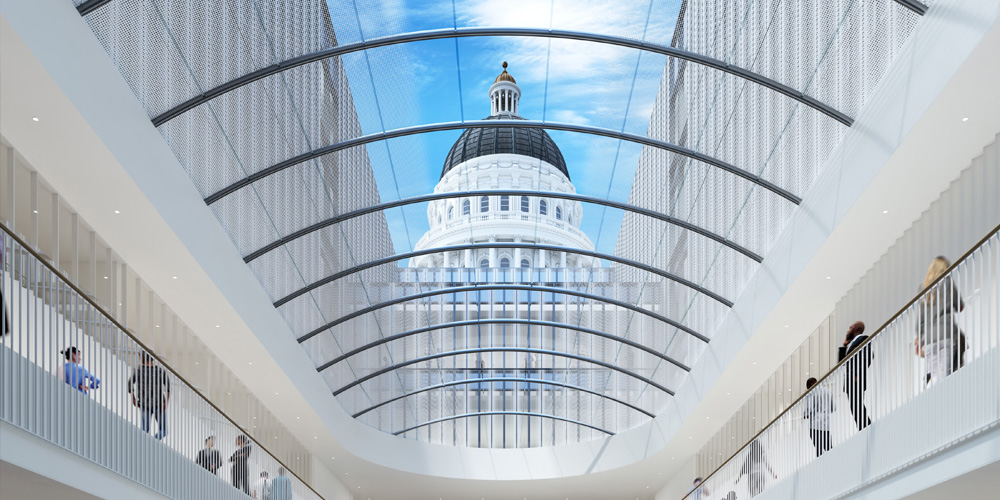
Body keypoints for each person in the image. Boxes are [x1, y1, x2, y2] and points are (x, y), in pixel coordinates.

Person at [915, 256, 966, 386]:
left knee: (935, 374)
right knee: (945, 377)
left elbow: (919, 319)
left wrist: (920, 340)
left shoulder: (923, 288)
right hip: (945, 335)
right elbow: (959, 305)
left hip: (928, 339)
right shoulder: (947, 282)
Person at [127, 352, 171, 440]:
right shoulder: (160, 371)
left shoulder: (138, 371)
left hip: (144, 403)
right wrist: (166, 402)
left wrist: (134, 398)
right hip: (159, 403)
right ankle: (153, 441)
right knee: (164, 430)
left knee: (144, 430)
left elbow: (130, 384)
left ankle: (146, 444)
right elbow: (168, 388)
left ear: (143, 357)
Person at [837, 321, 871, 430]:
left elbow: (869, 356)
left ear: (856, 329)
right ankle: (863, 427)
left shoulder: (863, 339)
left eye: (850, 327)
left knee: (857, 406)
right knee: (854, 407)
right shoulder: (852, 343)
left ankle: (865, 427)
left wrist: (858, 374)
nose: (848, 330)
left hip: (855, 379)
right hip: (850, 380)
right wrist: (844, 346)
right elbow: (841, 363)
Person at [801, 377, 835, 456]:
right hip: (825, 425)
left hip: (814, 425)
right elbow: (833, 408)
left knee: (818, 448)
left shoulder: (811, 393)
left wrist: (805, 414)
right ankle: (833, 462)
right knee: (829, 448)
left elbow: (809, 407)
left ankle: (821, 465)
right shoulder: (827, 391)